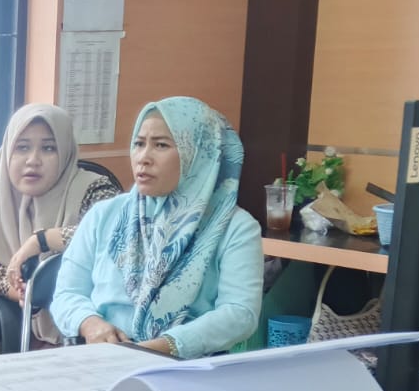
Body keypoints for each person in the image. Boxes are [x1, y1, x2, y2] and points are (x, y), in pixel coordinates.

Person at [49, 97, 263, 359]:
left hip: (187, 365)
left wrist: (166, 346)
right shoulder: (104, 215)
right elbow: (67, 294)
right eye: (139, 144)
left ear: (198, 153)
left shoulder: (236, 227)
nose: (143, 158)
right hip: (103, 357)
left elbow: (240, 313)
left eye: (161, 145)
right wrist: (90, 324)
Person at [0, 103, 119, 344]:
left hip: (99, 327)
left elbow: (113, 235)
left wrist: (42, 240)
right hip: (33, 330)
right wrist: (22, 292)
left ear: (65, 151)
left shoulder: (95, 188)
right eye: (22, 147)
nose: (33, 160)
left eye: (48, 148)